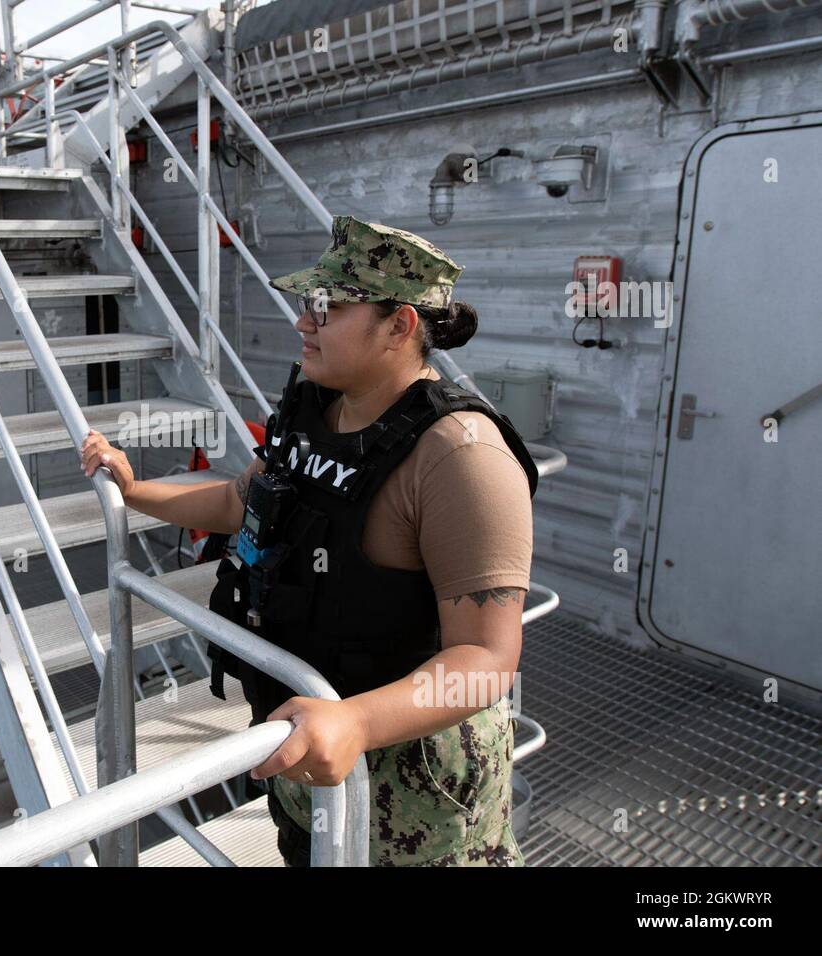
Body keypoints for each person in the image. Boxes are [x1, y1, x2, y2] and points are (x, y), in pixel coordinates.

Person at [80, 216, 538, 866]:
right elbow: (242, 502)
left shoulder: (461, 456)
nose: (304, 322)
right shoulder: (310, 409)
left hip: (414, 796)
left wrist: (354, 721)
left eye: (329, 308)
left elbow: (486, 662)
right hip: (305, 748)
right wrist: (134, 491)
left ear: (400, 326)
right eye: (307, 305)